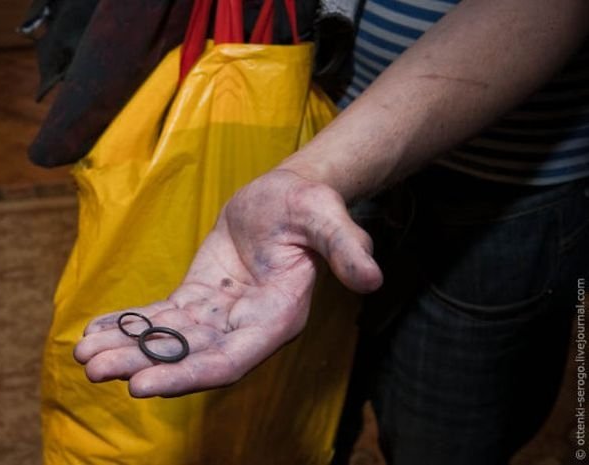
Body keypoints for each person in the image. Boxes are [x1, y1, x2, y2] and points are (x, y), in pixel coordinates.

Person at [73, 0, 589, 463]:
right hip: (331, 136)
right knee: (308, 402)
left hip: (507, 188)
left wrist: (306, 176)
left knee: (444, 436)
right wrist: (311, 173)